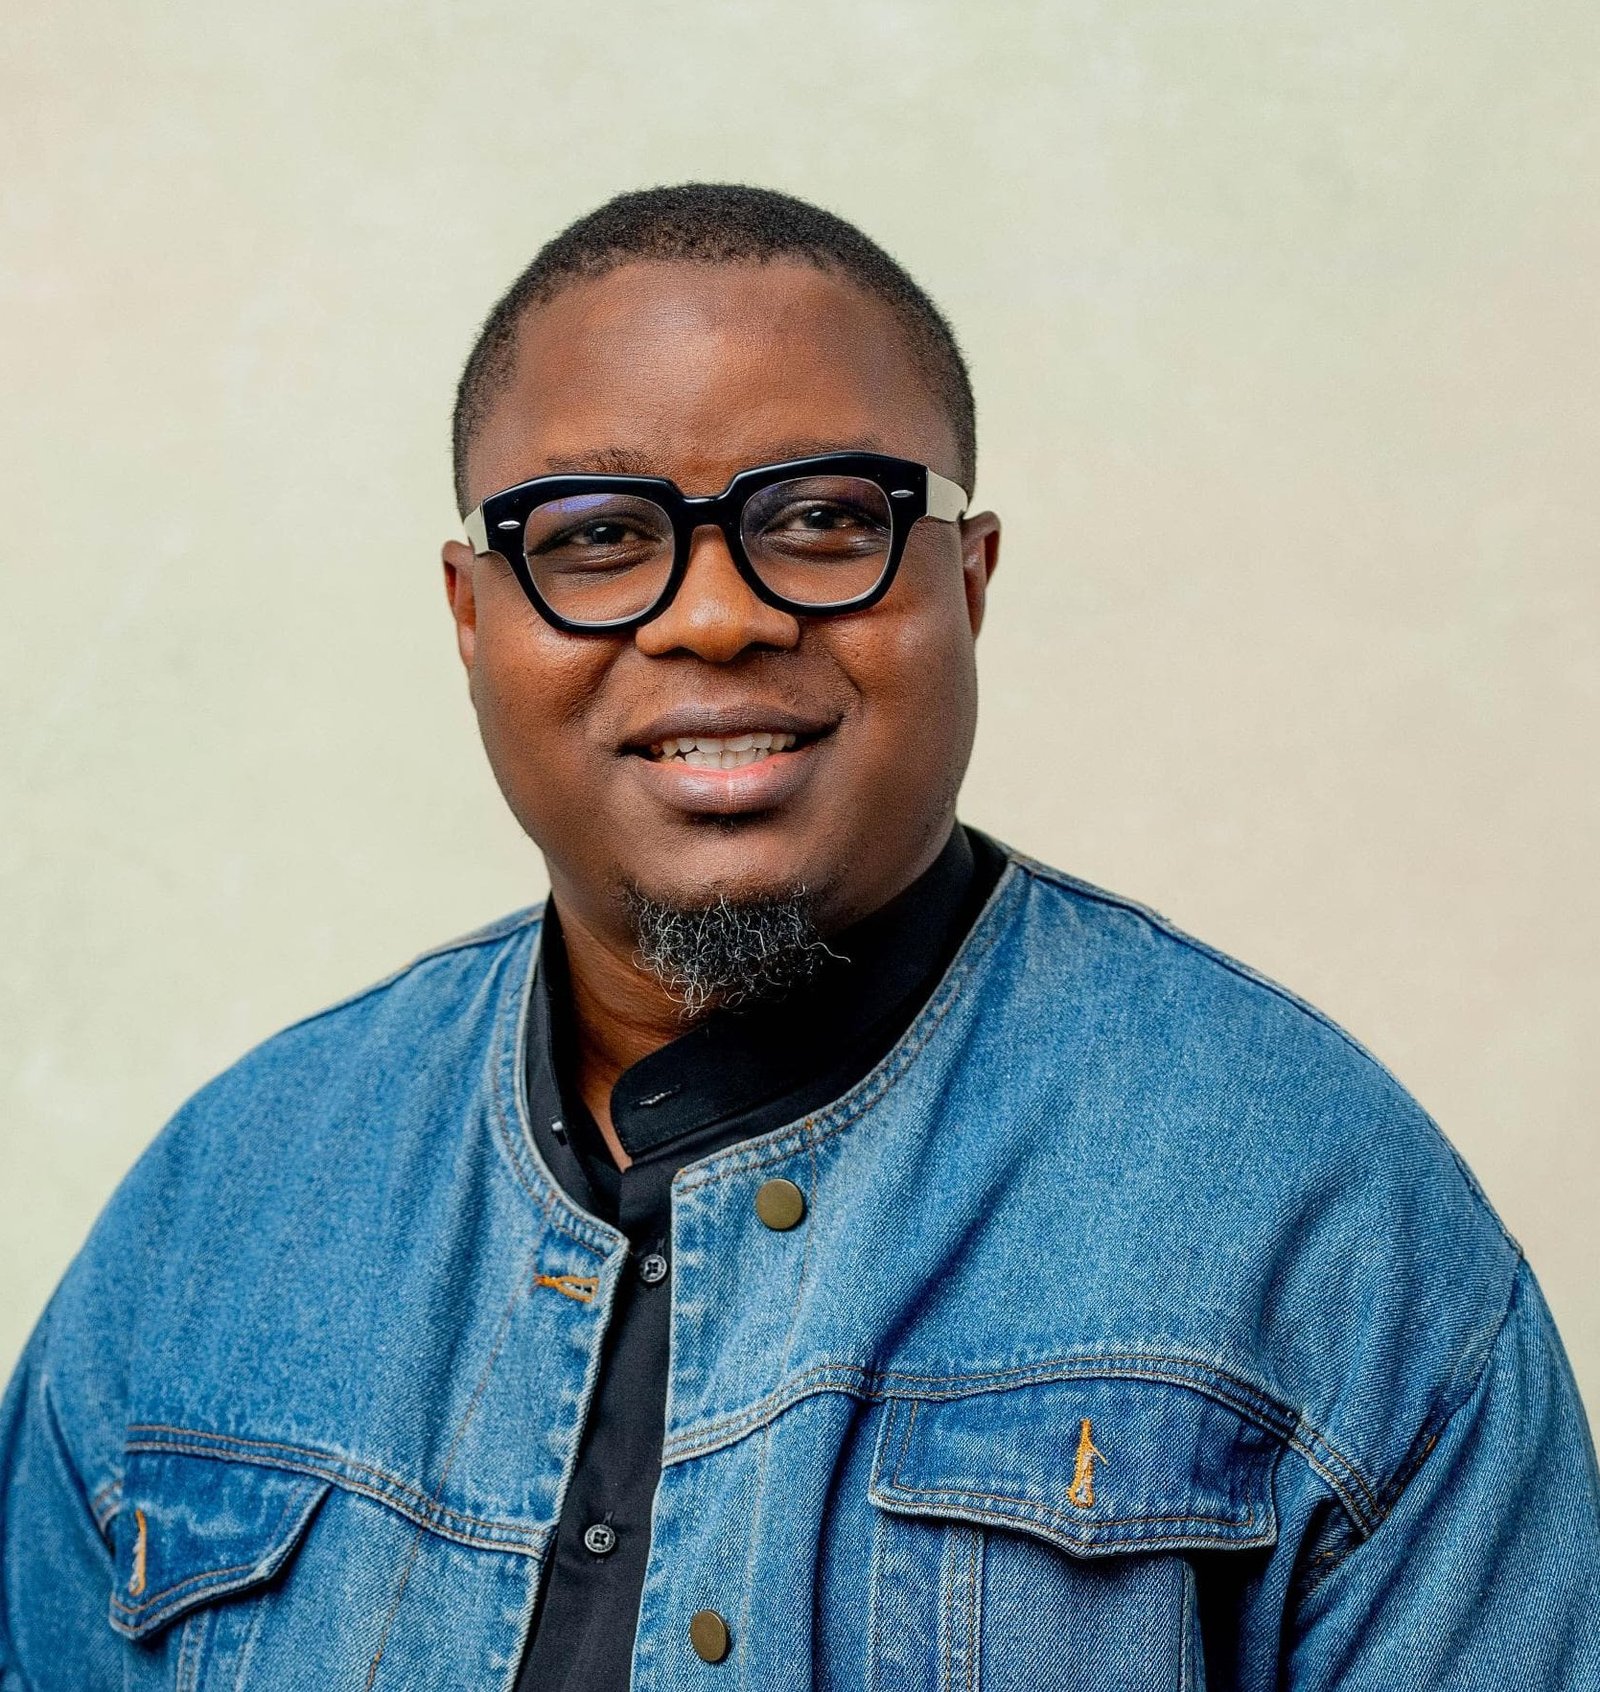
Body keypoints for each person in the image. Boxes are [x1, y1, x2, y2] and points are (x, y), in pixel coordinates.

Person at [1, 183, 1595, 1691]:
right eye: (596, 534)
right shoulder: (220, 1215)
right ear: (472, 616)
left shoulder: (1317, 1213)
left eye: (826, 519)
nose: (714, 617)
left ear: (968, 582)